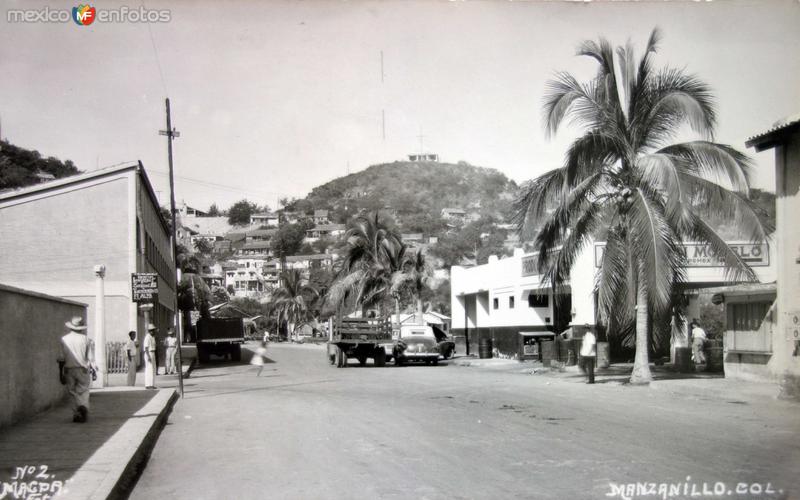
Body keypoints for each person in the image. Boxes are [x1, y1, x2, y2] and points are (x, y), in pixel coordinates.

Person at [57, 316, 95, 423]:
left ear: (71, 327)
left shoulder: (64, 340)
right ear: (81, 328)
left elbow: (61, 359)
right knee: (83, 390)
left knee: (72, 392)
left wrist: (60, 373)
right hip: (83, 369)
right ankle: (82, 407)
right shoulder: (87, 340)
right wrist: (93, 370)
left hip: (69, 369)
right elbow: (90, 358)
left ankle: (76, 413)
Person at [144, 324, 158, 389]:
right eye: (152, 330)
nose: (153, 331)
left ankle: (152, 384)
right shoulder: (147, 337)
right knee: (149, 369)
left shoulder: (153, 337)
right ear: (149, 331)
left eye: (154, 330)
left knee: (153, 369)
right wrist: (148, 356)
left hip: (153, 352)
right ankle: (148, 384)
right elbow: (146, 348)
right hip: (149, 353)